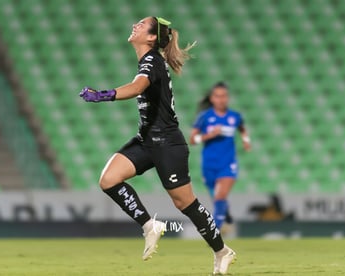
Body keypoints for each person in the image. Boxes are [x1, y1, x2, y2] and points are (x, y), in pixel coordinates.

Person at [79, 17, 235, 274]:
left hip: (167, 144)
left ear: (151, 37)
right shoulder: (148, 61)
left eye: (141, 24)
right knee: (109, 180)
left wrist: (103, 94)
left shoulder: (152, 60)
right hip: (146, 140)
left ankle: (222, 251)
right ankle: (150, 225)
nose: (135, 25)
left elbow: (137, 86)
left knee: (185, 204)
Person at [189, 82, 251, 232]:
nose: (221, 99)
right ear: (212, 99)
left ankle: (215, 229)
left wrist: (246, 141)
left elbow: (242, 128)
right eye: (217, 96)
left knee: (221, 195)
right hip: (209, 165)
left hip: (228, 163)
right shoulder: (204, 117)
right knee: (217, 197)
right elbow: (192, 140)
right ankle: (225, 211)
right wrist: (210, 135)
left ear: (227, 98)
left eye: (224, 96)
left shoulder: (234, 116)